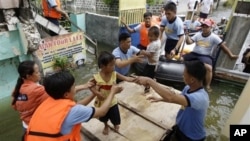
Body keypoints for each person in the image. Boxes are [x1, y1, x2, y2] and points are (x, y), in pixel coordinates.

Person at [25, 71, 123, 141]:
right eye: (74, 86)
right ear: (66, 94)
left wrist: (92, 92)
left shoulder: (48, 101)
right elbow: (102, 111)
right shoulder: (76, 111)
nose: (75, 88)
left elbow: (74, 108)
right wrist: (112, 92)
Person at [136, 60, 209, 141]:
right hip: (180, 129)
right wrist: (160, 99)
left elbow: (171, 97)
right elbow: (177, 99)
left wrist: (149, 81)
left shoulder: (200, 98)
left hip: (191, 137)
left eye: (184, 75)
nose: (182, 76)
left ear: (192, 80)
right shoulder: (188, 88)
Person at [184, 19, 238, 91]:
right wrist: (187, 35)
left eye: (207, 27)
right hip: (194, 53)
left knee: (209, 68)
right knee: (181, 59)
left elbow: (223, 46)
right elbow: (189, 42)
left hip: (205, 56)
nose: (205, 28)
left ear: (210, 28)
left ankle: (208, 85)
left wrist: (231, 55)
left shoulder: (214, 37)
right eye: (203, 27)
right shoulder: (198, 34)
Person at [90, 51, 136, 135]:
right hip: (102, 103)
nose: (114, 67)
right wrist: (96, 93)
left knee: (115, 117)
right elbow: (90, 86)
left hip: (112, 101)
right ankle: (106, 125)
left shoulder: (114, 74)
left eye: (114, 64)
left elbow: (126, 78)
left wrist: (136, 80)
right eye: (111, 65)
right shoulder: (96, 77)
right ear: (102, 66)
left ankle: (115, 125)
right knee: (103, 117)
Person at [11, 60, 49, 131]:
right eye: (37, 72)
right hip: (37, 128)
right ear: (28, 76)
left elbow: (15, 107)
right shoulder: (37, 89)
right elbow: (57, 96)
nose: (39, 73)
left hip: (26, 126)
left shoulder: (16, 89)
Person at [142, 26, 161, 93]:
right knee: (146, 73)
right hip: (152, 63)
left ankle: (148, 87)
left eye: (151, 36)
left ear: (156, 36)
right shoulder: (158, 41)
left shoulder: (154, 44)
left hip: (152, 64)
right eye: (149, 36)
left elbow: (150, 55)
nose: (149, 38)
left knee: (148, 77)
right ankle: (152, 80)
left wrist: (143, 52)